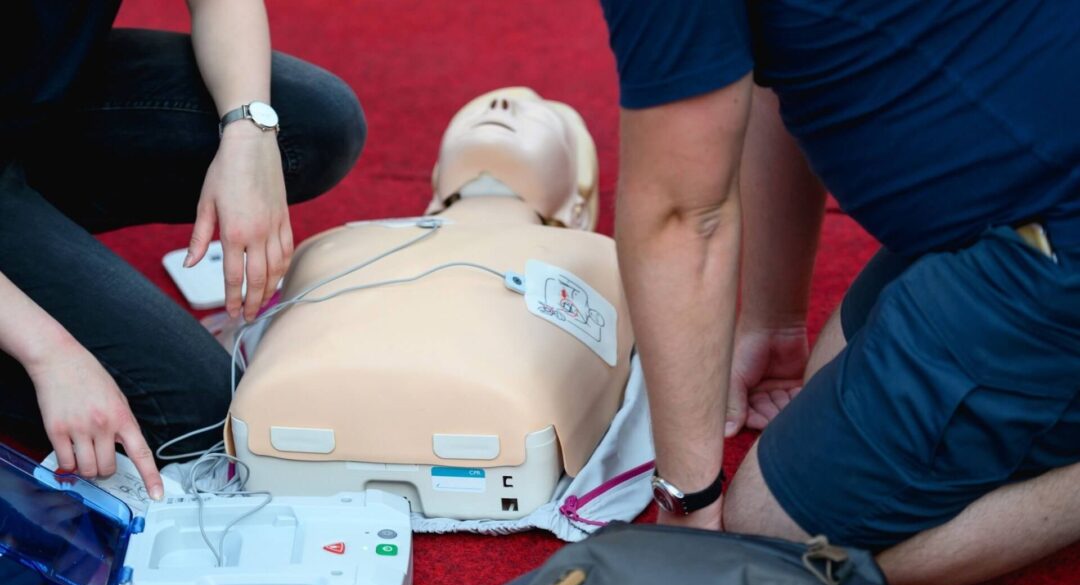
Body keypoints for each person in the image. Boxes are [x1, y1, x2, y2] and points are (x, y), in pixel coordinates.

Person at [597, 0, 1080, 585]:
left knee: (773, 541)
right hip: (1020, 196)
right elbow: (772, 72)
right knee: (826, 379)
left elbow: (680, 215)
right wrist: (774, 321)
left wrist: (688, 510)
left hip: (1056, 231)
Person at [0, 0, 365, 503]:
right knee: (197, 415)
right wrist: (50, 354)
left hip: (31, 105)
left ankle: (39, 235)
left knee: (312, 124)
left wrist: (247, 133)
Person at [226, 88, 636, 520]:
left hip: (300, 419)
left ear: (576, 203)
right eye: (473, 112)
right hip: (303, 412)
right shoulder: (332, 242)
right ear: (438, 178)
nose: (499, 105)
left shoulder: (595, 256)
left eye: (537, 120)